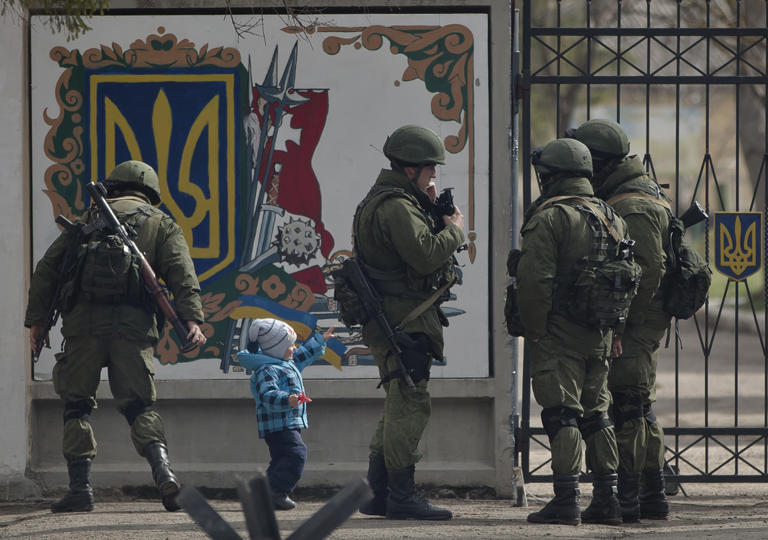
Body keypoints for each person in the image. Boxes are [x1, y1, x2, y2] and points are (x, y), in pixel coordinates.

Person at [25, 160, 206, 513]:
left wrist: (36, 323)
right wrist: (192, 320)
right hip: (133, 330)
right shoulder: (161, 223)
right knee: (140, 405)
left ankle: (80, 490)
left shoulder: (86, 223)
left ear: (115, 186)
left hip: (83, 329)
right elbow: (182, 274)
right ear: (150, 191)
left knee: (77, 406)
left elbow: (47, 271)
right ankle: (164, 472)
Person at [355, 125, 464, 521]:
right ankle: (401, 496)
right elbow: (424, 255)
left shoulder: (394, 200)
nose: (434, 173)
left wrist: (431, 210)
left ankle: (378, 492)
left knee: (399, 401)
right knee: (411, 403)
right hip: (405, 321)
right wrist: (453, 231)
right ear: (409, 168)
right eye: (429, 168)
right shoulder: (396, 206)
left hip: (399, 318)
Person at [518, 138, 628, 526]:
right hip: (598, 332)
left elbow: (534, 282)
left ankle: (566, 499)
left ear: (551, 176)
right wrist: (616, 330)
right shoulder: (612, 217)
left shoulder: (550, 218)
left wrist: (532, 329)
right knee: (597, 415)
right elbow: (625, 281)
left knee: (562, 414)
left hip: (558, 334)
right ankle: (607, 498)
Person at [568, 118, 672, 522]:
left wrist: (620, 327)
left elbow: (645, 275)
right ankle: (652, 494)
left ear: (599, 164)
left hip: (638, 322)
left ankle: (628, 500)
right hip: (638, 319)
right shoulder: (628, 194)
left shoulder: (635, 205)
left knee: (628, 405)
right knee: (641, 405)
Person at [235, 319, 334, 510]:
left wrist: (321, 340)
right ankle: (276, 492)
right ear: (276, 349)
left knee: (282, 458)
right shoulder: (268, 369)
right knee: (296, 454)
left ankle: (263, 493)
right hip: (278, 424)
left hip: (287, 422)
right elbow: (267, 395)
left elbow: (303, 354)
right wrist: (288, 399)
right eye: (290, 344)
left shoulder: (285, 362)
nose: (294, 347)